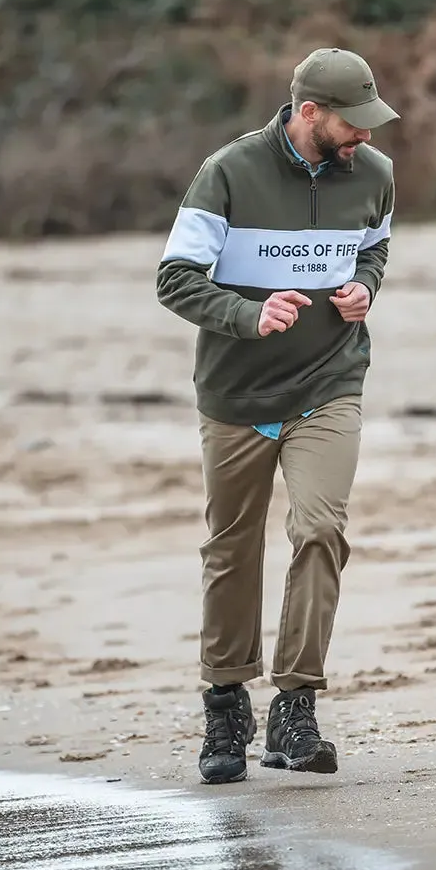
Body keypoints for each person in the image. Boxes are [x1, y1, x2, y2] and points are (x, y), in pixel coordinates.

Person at [156, 47, 399, 784]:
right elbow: (175, 279)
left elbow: (374, 256)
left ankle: (297, 705)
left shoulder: (376, 176)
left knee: (320, 527)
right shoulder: (226, 172)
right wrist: (248, 313)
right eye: (351, 124)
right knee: (231, 549)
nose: (364, 137)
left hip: (330, 382)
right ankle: (226, 704)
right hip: (235, 395)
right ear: (308, 113)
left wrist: (363, 289)